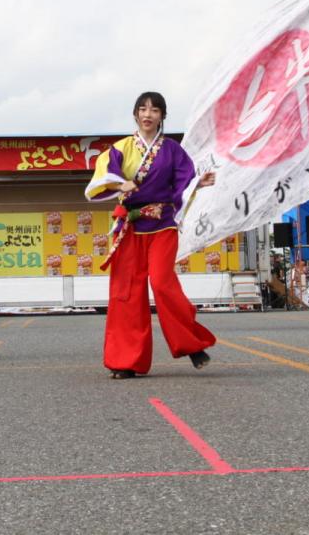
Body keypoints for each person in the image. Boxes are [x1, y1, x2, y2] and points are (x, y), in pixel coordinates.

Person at [85, 91, 217, 379]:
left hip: (162, 225)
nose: (148, 114)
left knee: (162, 281)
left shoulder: (172, 150)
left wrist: (199, 184)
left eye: (155, 110)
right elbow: (103, 179)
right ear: (135, 114)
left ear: (162, 117)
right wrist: (121, 187)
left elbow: (185, 181)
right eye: (143, 109)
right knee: (126, 292)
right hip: (130, 226)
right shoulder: (119, 149)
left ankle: (191, 343)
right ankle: (126, 361)